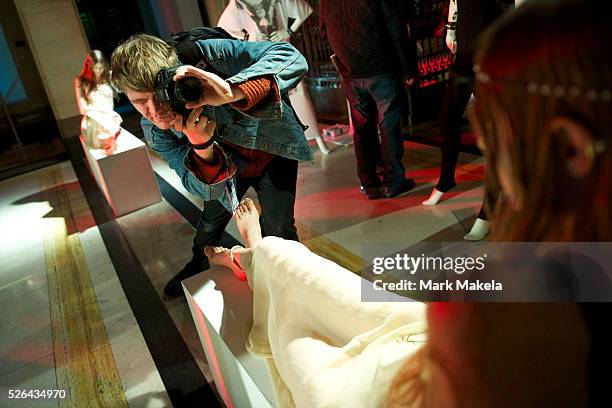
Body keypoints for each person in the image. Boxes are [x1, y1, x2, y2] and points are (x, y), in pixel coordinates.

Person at [204, 0, 610, 405]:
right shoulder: (571, 270)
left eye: (497, 136)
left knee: (315, 354)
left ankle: (261, 252)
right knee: (342, 296)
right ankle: (264, 255)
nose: (487, 150)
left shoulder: (503, 316)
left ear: (569, 150)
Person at [110, 33, 311, 297]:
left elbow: (292, 57)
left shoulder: (204, 57)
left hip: (272, 148)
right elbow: (206, 189)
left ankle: (297, 289)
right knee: (209, 225)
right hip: (226, 171)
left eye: (159, 97)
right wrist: (201, 147)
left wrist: (232, 92)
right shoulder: (157, 131)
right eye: (139, 102)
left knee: (280, 226)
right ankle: (198, 263)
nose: (155, 111)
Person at [319, 0, 418, 199]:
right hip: (381, 68)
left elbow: (323, 32)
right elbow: (395, 29)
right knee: (388, 126)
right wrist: (408, 69)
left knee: (362, 129)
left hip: (350, 71)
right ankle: (393, 182)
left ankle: (369, 183)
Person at [218, 0, 330, 154]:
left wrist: (287, 31)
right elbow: (225, 28)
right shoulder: (238, 4)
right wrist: (248, 37)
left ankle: (316, 139)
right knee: (271, 102)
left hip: (284, 54)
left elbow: (304, 9)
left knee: (299, 98)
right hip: (261, 58)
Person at [74, 50, 122, 153]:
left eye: (101, 68)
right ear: (89, 68)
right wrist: (104, 111)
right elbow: (82, 109)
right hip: (94, 119)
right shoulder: (81, 81)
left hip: (110, 119)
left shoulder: (109, 76)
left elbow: (123, 89)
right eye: (95, 68)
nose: (99, 71)